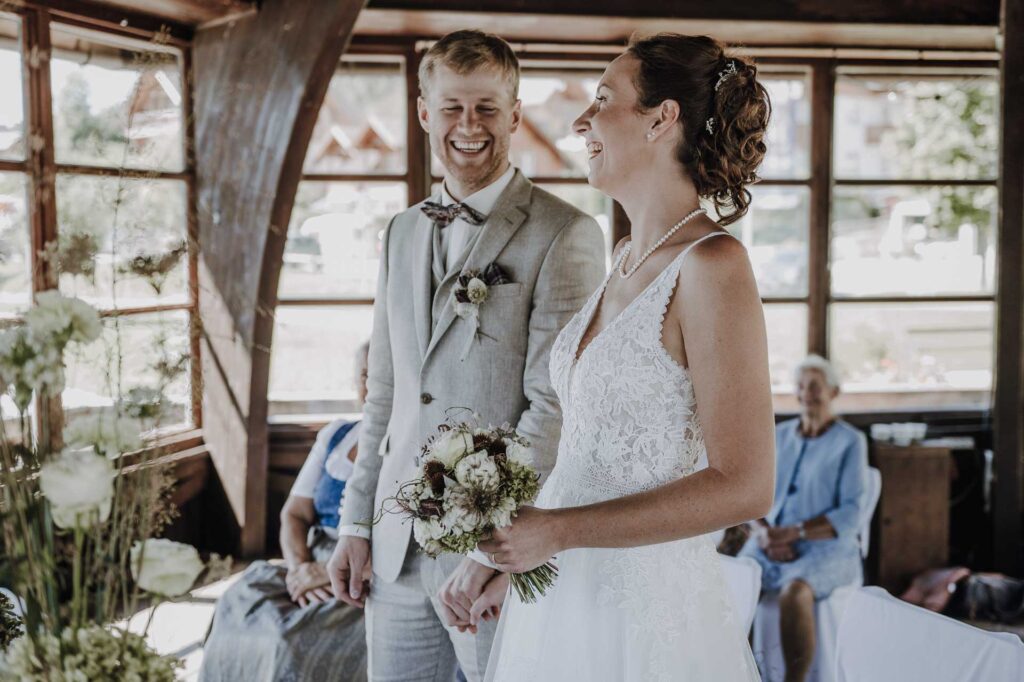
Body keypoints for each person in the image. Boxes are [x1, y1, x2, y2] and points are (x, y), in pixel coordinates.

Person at [473, 33, 775, 681]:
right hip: (564, 599)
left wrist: (558, 530)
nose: (582, 120)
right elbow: (587, 453)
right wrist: (518, 550)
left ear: (662, 118)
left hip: (646, 620)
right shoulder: (625, 259)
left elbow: (746, 484)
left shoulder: (713, 265)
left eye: (605, 98)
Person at [326, 29, 606, 682]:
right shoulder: (399, 232)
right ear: (425, 113)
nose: (469, 125)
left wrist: (492, 540)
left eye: (486, 107)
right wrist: (356, 523)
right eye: (452, 107)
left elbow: (554, 404)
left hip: (493, 554)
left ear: (514, 114)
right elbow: (386, 396)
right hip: (394, 554)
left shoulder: (565, 233)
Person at [200, 343, 371, 682]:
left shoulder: (413, 446)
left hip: (363, 578)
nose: (370, 386)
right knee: (238, 602)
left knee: (290, 641)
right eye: (363, 375)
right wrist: (300, 570)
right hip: (308, 561)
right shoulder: (337, 434)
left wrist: (329, 572)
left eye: (380, 375)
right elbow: (293, 514)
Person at [738, 354, 869, 682]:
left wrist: (795, 533)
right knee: (736, 579)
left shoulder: (851, 441)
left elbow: (850, 513)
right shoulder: (779, 435)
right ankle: (740, 672)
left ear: (834, 392)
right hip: (770, 539)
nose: (805, 393)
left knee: (795, 593)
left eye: (815, 386)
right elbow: (752, 493)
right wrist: (764, 534)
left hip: (828, 545)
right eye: (800, 386)